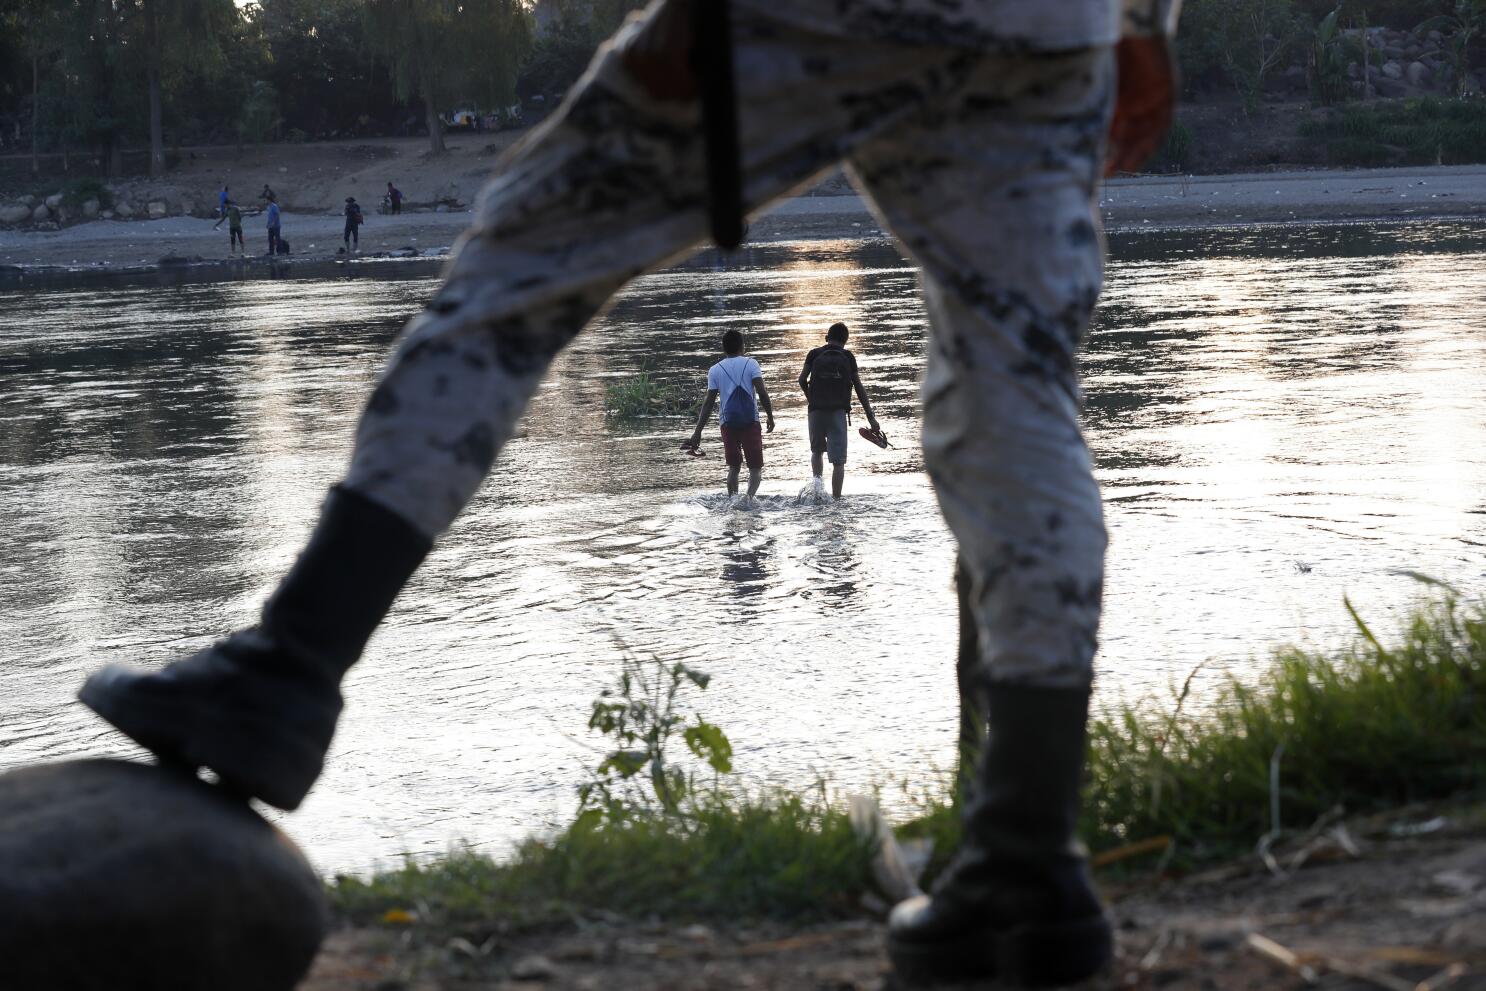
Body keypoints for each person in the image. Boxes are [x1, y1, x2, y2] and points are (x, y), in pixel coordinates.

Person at [78, 0, 1178, 984]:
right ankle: (1030, 861)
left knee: (514, 278)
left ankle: (286, 671)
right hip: (1052, 30)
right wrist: (1144, 21)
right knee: (1017, 393)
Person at [687, 329, 776, 500]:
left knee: (734, 467)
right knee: (755, 469)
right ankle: (748, 499)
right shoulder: (751, 364)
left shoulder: (714, 370)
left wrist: (698, 431)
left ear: (724, 348)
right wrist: (770, 417)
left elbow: (708, 403)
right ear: (743, 346)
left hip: (727, 424)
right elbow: (762, 393)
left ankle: (733, 502)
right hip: (750, 422)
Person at [798, 321, 879, 498]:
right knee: (838, 462)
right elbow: (858, 387)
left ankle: (818, 493)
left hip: (816, 411)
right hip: (837, 413)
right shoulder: (848, 357)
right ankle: (836, 501)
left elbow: (802, 379)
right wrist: (871, 418)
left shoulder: (813, 354)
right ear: (846, 340)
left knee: (816, 451)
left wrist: (811, 398)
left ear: (827, 338)